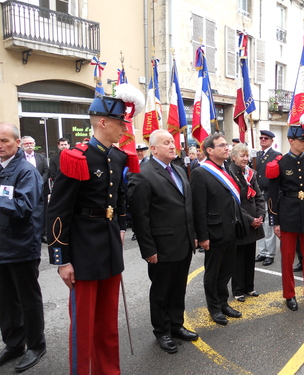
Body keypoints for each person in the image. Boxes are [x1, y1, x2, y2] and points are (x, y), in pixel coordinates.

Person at [47, 87, 142, 374]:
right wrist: (61, 259)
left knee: (107, 323)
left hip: (109, 246)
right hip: (84, 249)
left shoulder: (117, 157)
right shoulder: (76, 157)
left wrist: (122, 226)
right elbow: (58, 212)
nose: (124, 129)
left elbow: (118, 198)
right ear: (103, 122)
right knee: (84, 326)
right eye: (120, 124)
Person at [128, 130, 198, 354]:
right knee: (161, 291)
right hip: (162, 245)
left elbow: (187, 207)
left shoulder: (178, 170)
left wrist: (193, 234)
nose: (172, 145)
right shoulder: (143, 173)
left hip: (184, 242)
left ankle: (176, 325)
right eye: (166, 143)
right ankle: (162, 331)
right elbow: (141, 216)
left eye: (173, 142)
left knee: (178, 288)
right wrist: (148, 248)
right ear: (154, 148)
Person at [0, 122, 46, 372]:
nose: (0, 146)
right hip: (1, 247)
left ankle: (36, 345)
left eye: (5, 140)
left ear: (18, 143)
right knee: (6, 301)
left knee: (28, 300)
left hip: (21, 246)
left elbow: (23, 208)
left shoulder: (26, 172)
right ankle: (14, 343)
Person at [267, 125, 304, 311]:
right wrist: (275, 221)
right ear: (291, 141)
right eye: (301, 140)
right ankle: (289, 295)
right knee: (287, 258)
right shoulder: (280, 163)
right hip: (287, 214)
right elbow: (272, 195)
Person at [190, 133, 244, 325]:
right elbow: (199, 208)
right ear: (209, 150)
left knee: (226, 271)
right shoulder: (200, 172)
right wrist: (202, 236)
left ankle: (223, 302)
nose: (226, 148)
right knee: (213, 273)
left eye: (226, 144)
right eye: (221, 145)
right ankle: (214, 307)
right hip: (213, 233)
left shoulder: (226, 168)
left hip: (231, 230)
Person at [229, 143, 266, 302]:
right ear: (233, 157)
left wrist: (261, 215)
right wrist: (250, 220)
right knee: (238, 258)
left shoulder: (251, 173)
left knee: (250, 256)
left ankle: (249, 287)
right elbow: (234, 203)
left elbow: (259, 196)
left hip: (254, 221)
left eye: (246, 156)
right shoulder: (229, 173)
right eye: (241, 156)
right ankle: (238, 290)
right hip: (240, 221)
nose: (245, 159)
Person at [255, 130, 281, 266]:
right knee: (259, 223)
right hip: (256, 195)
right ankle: (262, 251)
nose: (263, 140)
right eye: (261, 138)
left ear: (272, 141)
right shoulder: (256, 155)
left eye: (266, 138)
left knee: (269, 225)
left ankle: (270, 253)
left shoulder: (276, 156)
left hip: (269, 194)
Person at [21, 136, 49, 243]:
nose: (29, 145)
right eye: (26, 143)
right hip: (26, 189)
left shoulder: (41, 157)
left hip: (42, 189)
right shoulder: (20, 158)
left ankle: (43, 233)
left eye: (31, 143)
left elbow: (46, 170)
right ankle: (30, 233)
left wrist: (40, 181)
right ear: (22, 145)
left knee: (43, 211)